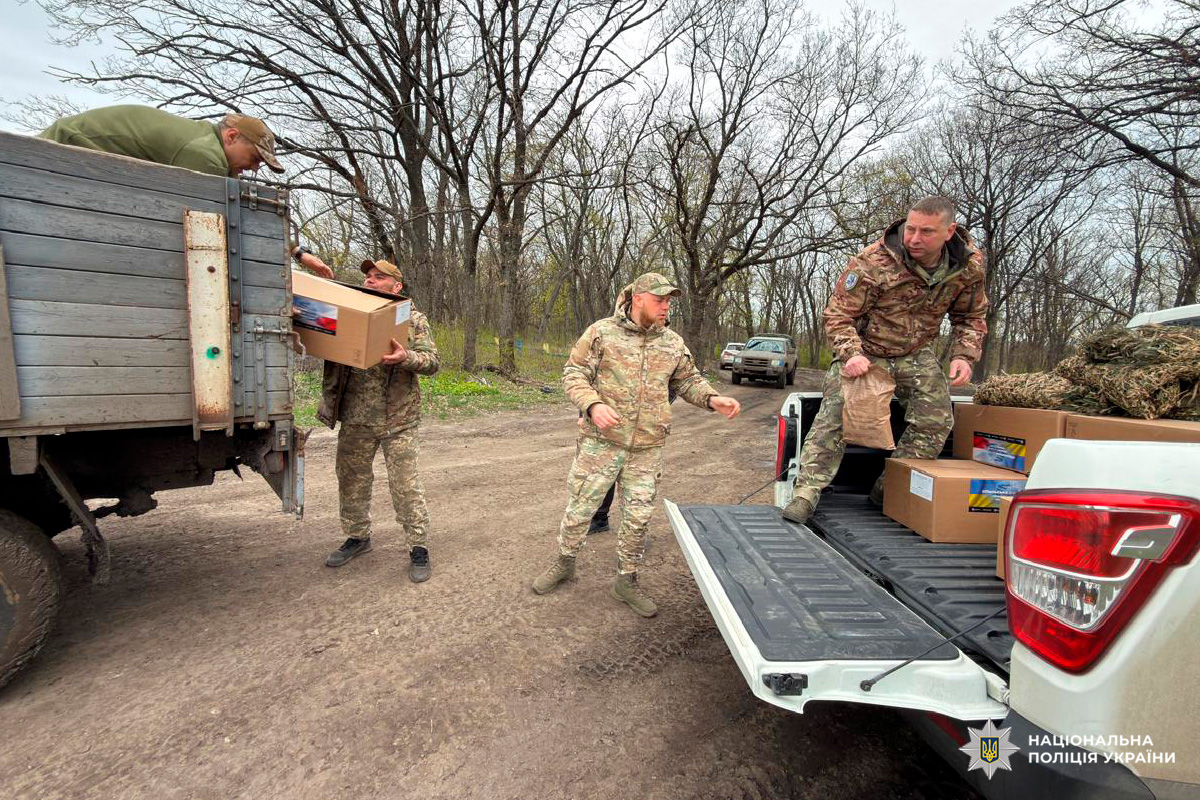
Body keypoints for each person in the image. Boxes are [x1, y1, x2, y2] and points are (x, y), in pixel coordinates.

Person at [531, 272, 741, 617]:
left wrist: (712, 399)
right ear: (638, 298)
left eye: (670, 301)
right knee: (581, 508)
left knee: (638, 517)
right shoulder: (601, 332)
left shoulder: (672, 342)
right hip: (601, 442)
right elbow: (573, 374)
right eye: (660, 300)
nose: (666, 307)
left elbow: (687, 379)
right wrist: (593, 405)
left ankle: (626, 581)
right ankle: (564, 563)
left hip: (647, 446)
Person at [781, 196, 988, 525]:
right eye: (911, 229)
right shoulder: (874, 261)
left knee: (936, 420)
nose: (915, 239)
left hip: (915, 354)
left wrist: (964, 354)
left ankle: (889, 489)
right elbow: (838, 315)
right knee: (835, 413)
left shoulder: (967, 266)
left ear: (949, 232)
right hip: (867, 350)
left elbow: (970, 316)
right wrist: (851, 354)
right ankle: (806, 492)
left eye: (926, 232)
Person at [308, 256, 441, 582]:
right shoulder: (347, 312)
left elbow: (432, 361)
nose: (369, 280)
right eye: (368, 276)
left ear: (396, 286)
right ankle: (357, 537)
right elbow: (316, 334)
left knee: (406, 486)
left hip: (399, 418)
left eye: (379, 277)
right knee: (352, 481)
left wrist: (405, 357)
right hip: (355, 418)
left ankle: (418, 546)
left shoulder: (411, 318)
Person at [38, 105, 284, 177]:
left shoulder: (204, 139)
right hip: (61, 148)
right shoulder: (205, 155)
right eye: (254, 158)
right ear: (231, 136)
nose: (254, 167)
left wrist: (297, 251)